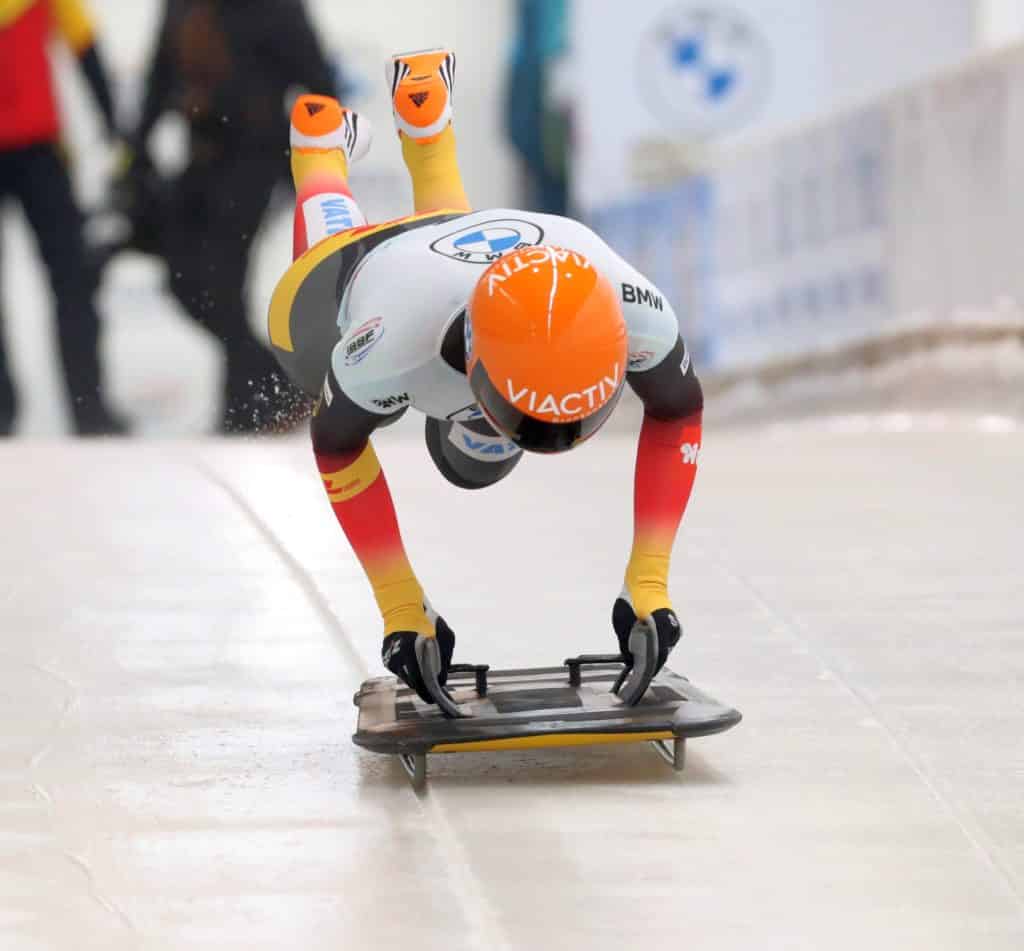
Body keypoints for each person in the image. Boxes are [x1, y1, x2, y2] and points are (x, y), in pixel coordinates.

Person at [269, 49, 703, 710]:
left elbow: (678, 411)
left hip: (464, 250)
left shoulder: (631, 307)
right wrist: (398, 606)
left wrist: (651, 581)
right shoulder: (390, 349)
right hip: (378, 271)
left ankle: (427, 128)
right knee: (301, 326)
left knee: (442, 243)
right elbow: (335, 444)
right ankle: (321, 149)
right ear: (472, 373)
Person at [123, 0, 337, 432]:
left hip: (254, 158)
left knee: (224, 281)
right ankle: (277, 391)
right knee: (184, 281)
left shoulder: (276, 8)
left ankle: (244, 410)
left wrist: (314, 163)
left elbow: (320, 83)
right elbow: (160, 77)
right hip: (200, 155)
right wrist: (138, 153)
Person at [0, 0, 127, 435]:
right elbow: (85, 48)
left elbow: (84, 47)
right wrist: (114, 127)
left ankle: (27, 409)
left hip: (41, 151)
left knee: (73, 280)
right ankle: (87, 409)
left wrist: (114, 127)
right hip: (40, 151)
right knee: (71, 281)